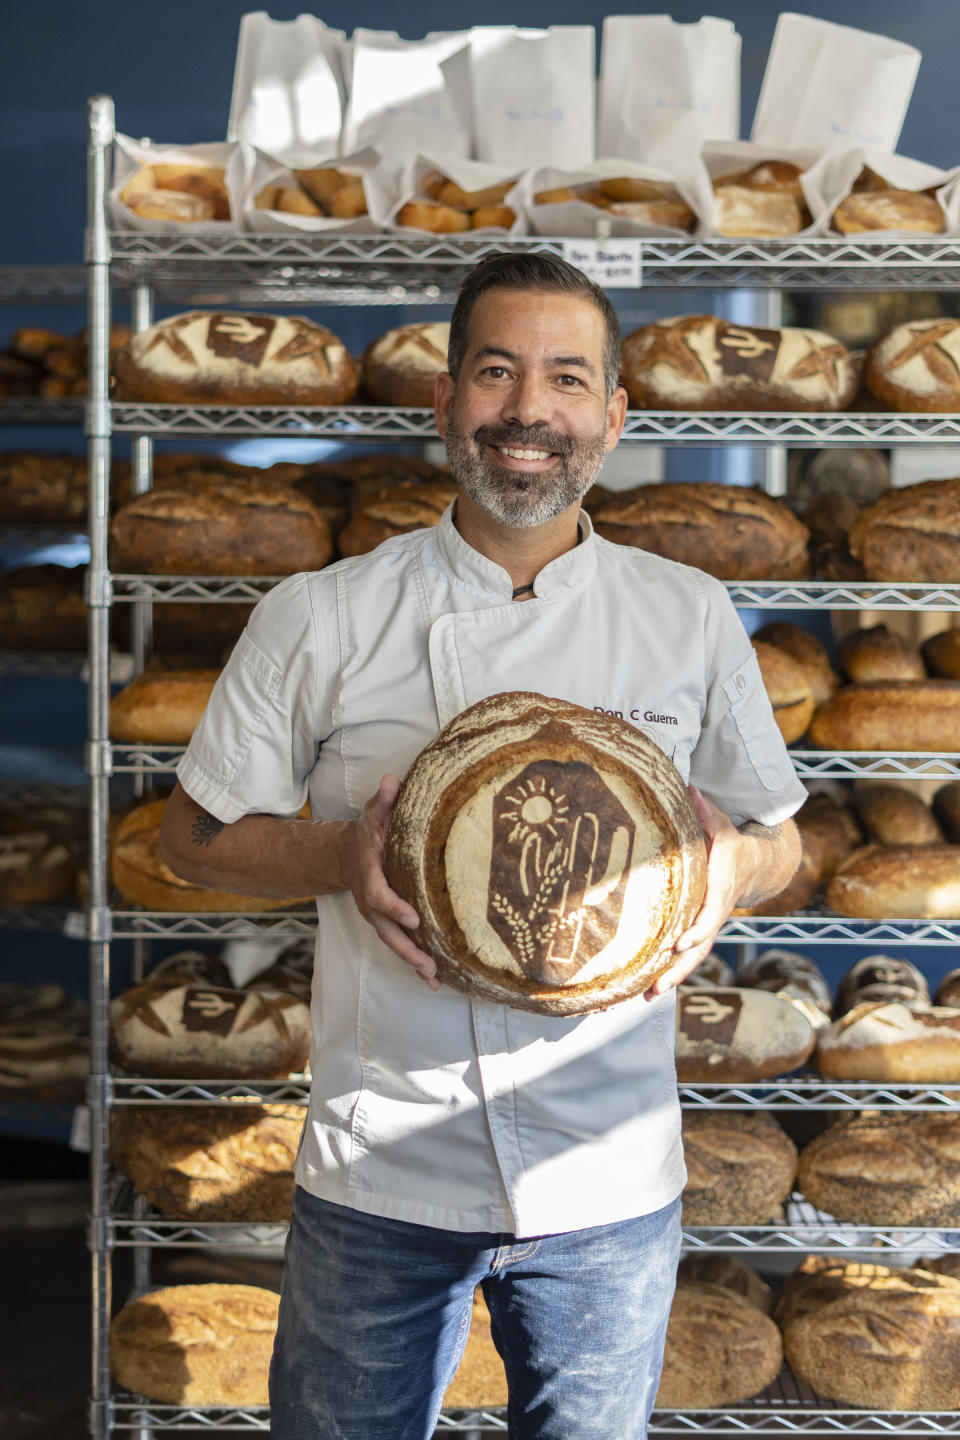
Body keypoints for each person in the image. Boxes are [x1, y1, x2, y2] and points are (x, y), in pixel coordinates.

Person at [158, 252, 804, 1440]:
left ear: (612, 416)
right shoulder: (323, 614)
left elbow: (780, 839)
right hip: (383, 1159)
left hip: (607, 1172)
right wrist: (339, 855)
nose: (528, 411)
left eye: (566, 378)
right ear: (446, 401)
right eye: (496, 372)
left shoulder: (689, 612)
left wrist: (733, 872)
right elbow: (190, 837)